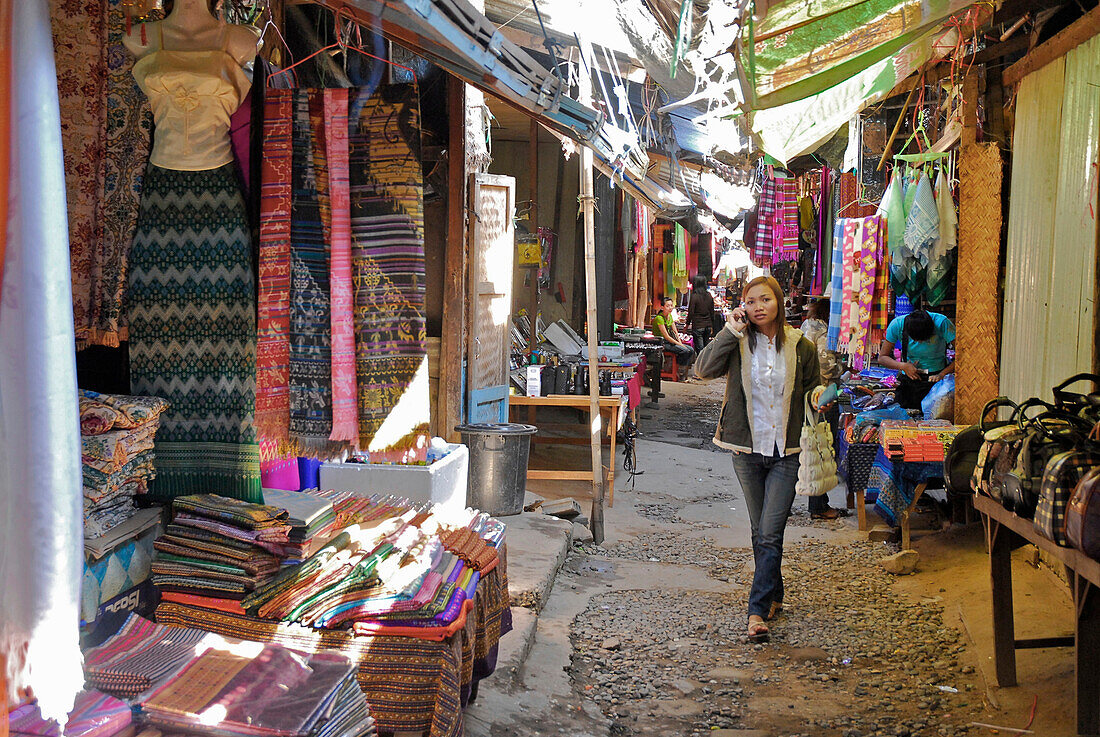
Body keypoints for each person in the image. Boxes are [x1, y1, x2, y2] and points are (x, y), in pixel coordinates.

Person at [124, 0, 264, 501]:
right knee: (156, 330)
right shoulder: (143, 36)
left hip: (218, 203)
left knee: (230, 339)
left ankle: (228, 480)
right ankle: (162, 480)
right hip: (162, 202)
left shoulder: (238, 40)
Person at [695, 276, 821, 642]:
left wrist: (818, 399)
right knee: (760, 531)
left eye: (766, 299)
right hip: (747, 451)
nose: (758, 307)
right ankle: (774, 594)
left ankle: (755, 610)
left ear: (779, 303)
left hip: (786, 451)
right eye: (751, 301)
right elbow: (702, 369)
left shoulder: (800, 345)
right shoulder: (737, 343)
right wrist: (729, 330)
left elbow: (812, 387)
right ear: (743, 307)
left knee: (769, 532)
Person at [800, 298, 845, 520]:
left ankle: (785, 503)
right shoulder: (825, 332)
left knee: (807, 445)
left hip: (805, 393)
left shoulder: (806, 327)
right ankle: (818, 505)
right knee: (822, 448)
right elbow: (827, 369)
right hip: (823, 394)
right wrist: (843, 365)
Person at [878, 308, 955, 410]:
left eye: (925, 340)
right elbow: (882, 358)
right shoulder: (897, 325)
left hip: (937, 380)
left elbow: (963, 355)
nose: (921, 343)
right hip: (909, 379)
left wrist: (942, 374)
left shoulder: (942, 323)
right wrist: (903, 366)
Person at [653, 297, 694, 379]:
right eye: (668, 306)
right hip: (662, 343)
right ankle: (678, 371)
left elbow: (675, 332)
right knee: (685, 350)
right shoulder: (659, 318)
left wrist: (680, 343)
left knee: (691, 350)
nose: (670, 308)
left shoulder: (670, 316)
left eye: (671, 305)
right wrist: (679, 345)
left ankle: (679, 369)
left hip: (670, 341)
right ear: (662, 307)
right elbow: (666, 336)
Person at [684, 275, 716, 353]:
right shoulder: (709, 295)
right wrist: (712, 325)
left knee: (700, 349)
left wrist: (687, 325)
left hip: (698, 326)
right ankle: (706, 364)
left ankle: (701, 364)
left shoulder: (694, 296)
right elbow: (712, 312)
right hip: (707, 325)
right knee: (706, 348)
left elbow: (691, 312)